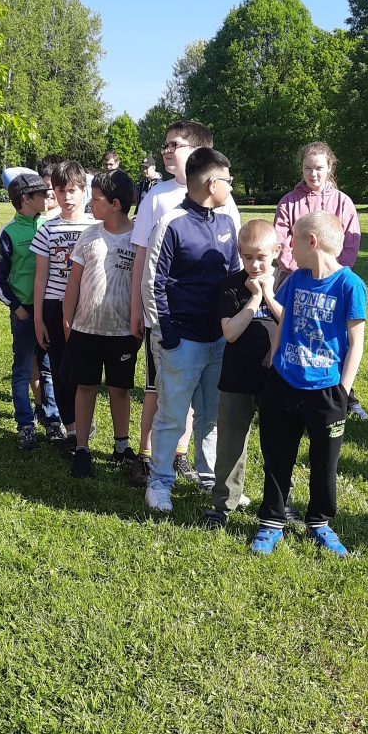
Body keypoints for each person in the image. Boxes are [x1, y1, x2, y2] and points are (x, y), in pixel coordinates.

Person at [129, 120, 242, 489]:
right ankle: (160, 482)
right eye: (228, 180)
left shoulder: (227, 223)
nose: (231, 187)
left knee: (211, 414)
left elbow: (234, 278)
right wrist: (168, 335)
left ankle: (208, 476)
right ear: (211, 185)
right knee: (172, 415)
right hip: (181, 340)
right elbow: (154, 283)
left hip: (218, 340)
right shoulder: (171, 223)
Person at [251, 211, 366, 556]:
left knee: (324, 463)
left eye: (293, 241)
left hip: (327, 392)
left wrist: (343, 391)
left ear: (311, 242)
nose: (289, 248)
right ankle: (271, 521)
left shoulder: (350, 285)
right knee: (277, 458)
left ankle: (319, 522)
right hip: (284, 383)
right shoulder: (296, 278)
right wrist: (273, 364)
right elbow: (284, 321)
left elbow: (356, 343)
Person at [273, 141, 366, 418]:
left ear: (330, 168)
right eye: (308, 168)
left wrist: (331, 272)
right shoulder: (289, 201)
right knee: (294, 332)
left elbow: (350, 242)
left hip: (331, 282)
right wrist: (300, 270)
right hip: (294, 278)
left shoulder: (343, 202)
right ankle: (285, 384)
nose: (313, 174)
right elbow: (282, 240)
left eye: (319, 168)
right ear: (301, 169)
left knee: (333, 339)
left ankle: (344, 393)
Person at [204, 219, 283, 529]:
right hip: (236, 377)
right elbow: (231, 332)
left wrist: (269, 295)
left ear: (276, 251)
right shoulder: (231, 286)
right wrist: (254, 298)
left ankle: (279, 503)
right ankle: (222, 504)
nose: (254, 264)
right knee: (230, 445)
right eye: (247, 257)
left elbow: (291, 324)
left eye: (261, 257)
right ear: (238, 252)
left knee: (277, 444)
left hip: (276, 378)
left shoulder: (289, 282)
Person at [61, 169, 139, 478]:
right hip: (85, 329)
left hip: (123, 332)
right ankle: (82, 448)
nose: (90, 205)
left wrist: (138, 325)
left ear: (115, 204)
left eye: (95, 199)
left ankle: (122, 446)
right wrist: (68, 320)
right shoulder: (89, 235)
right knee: (86, 387)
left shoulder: (138, 239)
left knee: (119, 389)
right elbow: (73, 282)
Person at [0, 171, 63, 449]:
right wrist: (17, 308)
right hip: (24, 313)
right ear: (25, 199)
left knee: (47, 369)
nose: (48, 196)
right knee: (22, 370)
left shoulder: (48, 225)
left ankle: (52, 420)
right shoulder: (8, 233)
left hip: (48, 310)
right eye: (41, 194)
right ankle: (25, 424)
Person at [32, 161, 92, 452]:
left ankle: (84, 420)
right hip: (54, 306)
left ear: (83, 190)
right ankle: (71, 430)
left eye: (72, 190)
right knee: (59, 369)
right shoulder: (47, 230)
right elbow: (40, 277)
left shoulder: (95, 227)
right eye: (60, 191)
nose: (67, 197)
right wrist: (38, 319)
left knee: (83, 369)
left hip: (87, 308)